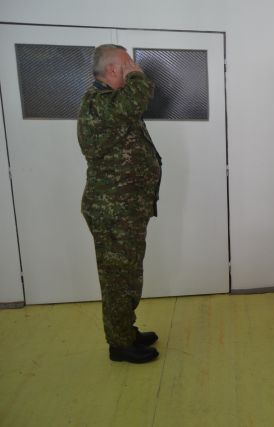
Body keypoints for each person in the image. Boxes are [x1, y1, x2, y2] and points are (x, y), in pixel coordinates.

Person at [77, 44, 162, 363]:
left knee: (127, 275)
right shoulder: (99, 102)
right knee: (118, 279)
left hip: (124, 208)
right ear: (112, 69)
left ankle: (125, 330)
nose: (134, 67)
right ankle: (120, 344)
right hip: (113, 210)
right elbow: (137, 97)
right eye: (127, 63)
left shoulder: (111, 102)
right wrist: (137, 76)